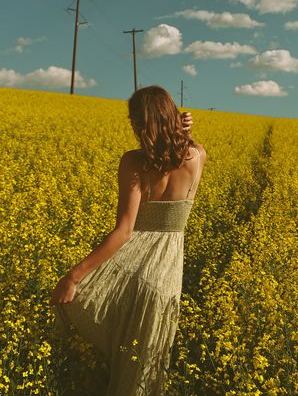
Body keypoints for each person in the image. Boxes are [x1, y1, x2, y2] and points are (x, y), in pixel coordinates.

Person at [49, 85, 206, 395]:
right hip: (164, 277)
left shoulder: (134, 162)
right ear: (172, 116)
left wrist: (73, 277)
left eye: (134, 120)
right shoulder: (197, 156)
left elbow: (124, 232)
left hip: (129, 268)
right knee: (144, 369)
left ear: (140, 122)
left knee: (104, 339)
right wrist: (184, 130)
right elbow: (191, 146)